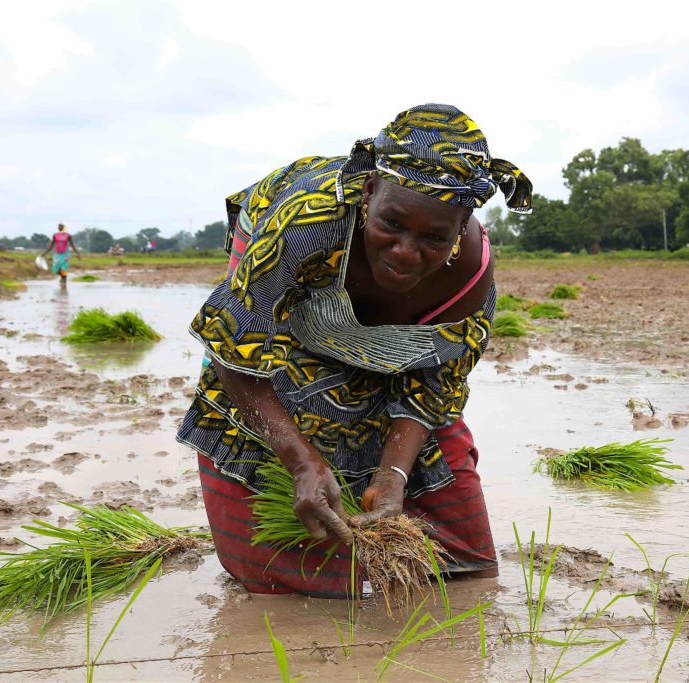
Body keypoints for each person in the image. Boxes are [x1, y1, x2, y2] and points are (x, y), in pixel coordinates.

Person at [176, 104, 532, 597]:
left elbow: (433, 386)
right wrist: (301, 461)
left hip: (383, 324)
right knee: (300, 579)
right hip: (280, 263)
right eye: (392, 224)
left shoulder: (468, 275)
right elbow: (233, 351)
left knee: (463, 571)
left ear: (462, 225)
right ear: (368, 193)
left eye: (434, 237)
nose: (407, 252)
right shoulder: (305, 222)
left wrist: (392, 476)